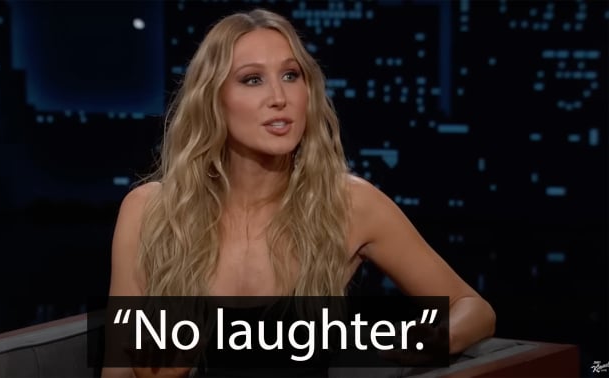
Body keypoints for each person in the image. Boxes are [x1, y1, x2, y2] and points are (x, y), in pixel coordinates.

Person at [103, 8, 495, 378]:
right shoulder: (150, 211)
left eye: (291, 75)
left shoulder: (348, 203)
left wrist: (403, 346)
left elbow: (473, 309)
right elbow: (120, 369)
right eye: (252, 79)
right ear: (213, 101)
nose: (280, 97)